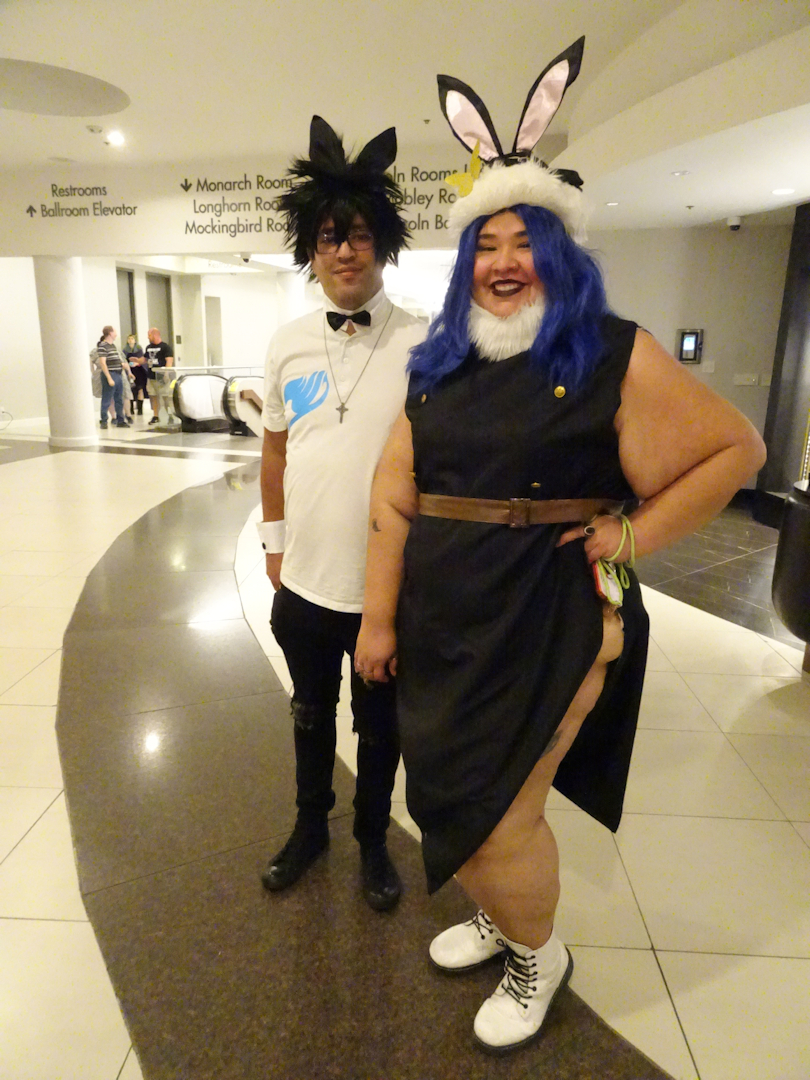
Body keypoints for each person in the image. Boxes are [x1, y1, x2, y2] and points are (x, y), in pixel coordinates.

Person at [355, 38, 766, 1054]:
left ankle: (539, 953)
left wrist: (632, 533)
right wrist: (377, 618)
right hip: (444, 620)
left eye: (524, 242)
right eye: (485, 245)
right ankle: (502, 916)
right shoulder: (439, 363)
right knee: (450, 789)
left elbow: (736, 450)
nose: (503, 263)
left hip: (552, 617)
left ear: (561, 254)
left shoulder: (613, 351)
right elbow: (393, 496)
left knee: (504, 812)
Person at [257, 115, 426, 912]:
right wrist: (274, 547)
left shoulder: (424, 343)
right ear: (311, 249)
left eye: (360, 235)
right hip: (306, 582)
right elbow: (276, 453)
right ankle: (308, 826)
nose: (346, 251)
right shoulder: (288, 342)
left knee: (381, 726)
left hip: (387, 591)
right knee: (308, 713)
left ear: (382, 245)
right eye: (330, 237)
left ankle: (371, 839)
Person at [95, 326, 133, 429]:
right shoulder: (103, 346)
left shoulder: (113, 346)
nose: (116, 334)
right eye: (115, 332)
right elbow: (103, 363)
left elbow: (114, 360)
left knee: (119, 399)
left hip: (118, 374)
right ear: (110, 333)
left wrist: (123, 366)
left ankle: (120, 420)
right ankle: (104, 421)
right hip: (110, 374)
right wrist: (109, 378)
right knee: (107, 398)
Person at [143, 328, 174, 424]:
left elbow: (169, 361)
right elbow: (145, 359)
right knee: (153, 396)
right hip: (151, 376)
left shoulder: (165, 347)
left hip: (161, 376)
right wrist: (136, 361)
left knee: (165, 396)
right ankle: (156, 416)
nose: (148, 337)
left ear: (155, 335)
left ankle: (170, 415)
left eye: (149, 335)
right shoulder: (148, 347)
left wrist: (166, 373)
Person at [123, 333, 148, 416]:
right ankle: (131, 409)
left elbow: (142, 360)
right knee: (130, 389)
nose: (130, 340)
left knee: (140, 389)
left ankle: (140, 409)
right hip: (130, 371)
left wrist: (137, 363)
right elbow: (124, 360)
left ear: (135, 340)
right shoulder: (125, 350)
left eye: (132, 339)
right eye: (129, 339)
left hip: (139, 371)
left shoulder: (139, 349)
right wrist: (130, 364)